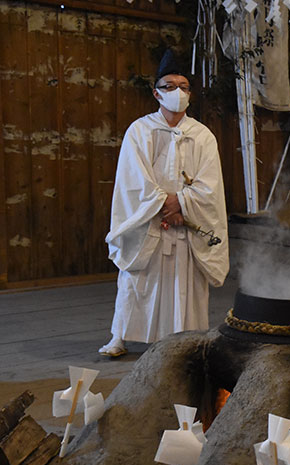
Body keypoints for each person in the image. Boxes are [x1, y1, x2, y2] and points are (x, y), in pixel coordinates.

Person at [99, 49, 229, 357]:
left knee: (183, 282)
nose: (178, 92)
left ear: (190, 94)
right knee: (137, 279)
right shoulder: (139, 131)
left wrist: (182, 203)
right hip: (150, 220)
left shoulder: (203, 135)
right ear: (157, 93)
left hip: (185, 221)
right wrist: (162, 203)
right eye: (170, 86)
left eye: (184, 87)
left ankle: (182, 340)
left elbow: (210, 184)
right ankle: (120, 336)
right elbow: (133, 180)